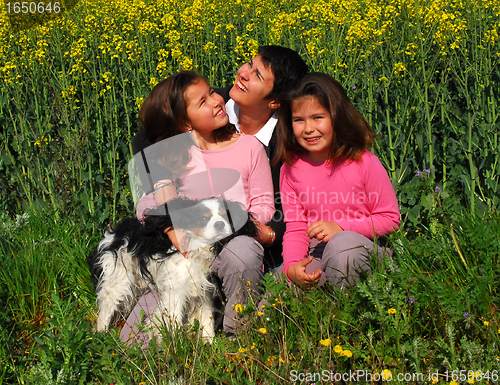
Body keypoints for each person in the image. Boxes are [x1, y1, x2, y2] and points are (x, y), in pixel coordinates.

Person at [122, 71, 275, 343]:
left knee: (244, 251)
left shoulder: (249, 147)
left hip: (231, 244)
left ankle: (239, 329)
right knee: (134, 340)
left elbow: (263, 206)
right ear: (183, 124)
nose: (218, 100)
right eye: (203, 102)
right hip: (186, 255)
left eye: (213, 93)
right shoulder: (173, 154)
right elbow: (145, 205)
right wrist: (171, 223)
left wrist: (228, 224)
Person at [133, 45, 309, 271]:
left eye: (257, 75)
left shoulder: (287, 141)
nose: (243, 73)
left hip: (250, 242)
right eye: (249, 64)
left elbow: (288, 205)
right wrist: (167, 207)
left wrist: (266, 232)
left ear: (275, 101)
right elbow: (147, 137)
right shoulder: (214, 103)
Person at [276, 72, 401, 289]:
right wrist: (292, 266)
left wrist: (341, 228)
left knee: (341, 248)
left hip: (364, 246)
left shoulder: (364, 162)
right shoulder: (290, 168)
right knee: (274, 300)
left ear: (337, 116)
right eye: (298, 120)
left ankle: (349, 316)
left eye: (317, 117)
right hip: (315, 251)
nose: (308, 129)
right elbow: (296, 227)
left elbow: (390, 218)